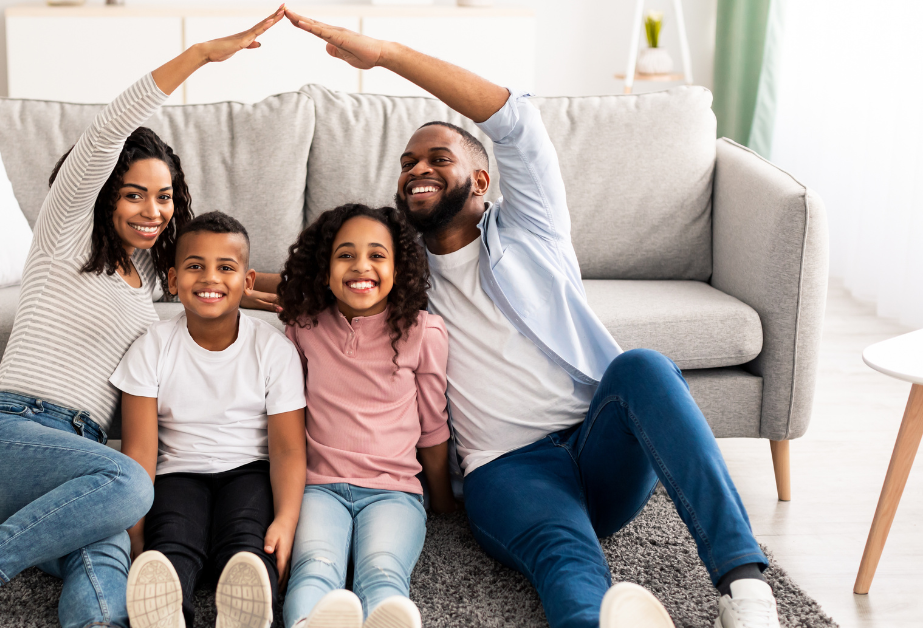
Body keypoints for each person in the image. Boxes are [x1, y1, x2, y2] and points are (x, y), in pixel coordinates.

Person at [284, 8, 781, 628]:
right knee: (568, 561)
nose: (417, 170)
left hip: (598, 442)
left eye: (436, 157)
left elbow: (514, 118)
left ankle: (744, 589)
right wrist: (233, 284)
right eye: (407, 164)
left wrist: (385, 54)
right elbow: (325, 287)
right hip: (507, 470)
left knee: (645, 368)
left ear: (483, 181)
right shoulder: (397, 276)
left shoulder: (533, 227)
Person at [0, 9, 288, 628]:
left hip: (82, 471)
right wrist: (200, 55)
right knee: (133, 486)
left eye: (165, 196)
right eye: (134, 193)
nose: (153, 210)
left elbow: (234, 285)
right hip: (5, 442)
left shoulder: (153, 277)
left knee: (106, 561)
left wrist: (345, 286)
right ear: (102, 195)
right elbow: (106, 132)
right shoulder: (64, 233)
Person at [113, 212, 307, 628]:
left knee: (248, 545)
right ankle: (163, 613)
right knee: (171, 543)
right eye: (195, 266)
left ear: (248, 282)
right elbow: (141, 448)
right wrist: (134, 527)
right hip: (177, 472)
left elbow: (288, 448)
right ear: (172, 279)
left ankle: (248, 614)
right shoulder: (152, 347)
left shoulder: (274, 350)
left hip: (250, 472)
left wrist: (287, 521)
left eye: (226, 267)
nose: (209, 278)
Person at [276, 204, 456, 628]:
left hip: (394, 492)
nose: (361, 266)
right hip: (319, 489)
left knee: (381, 571)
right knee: (316, 567)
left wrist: (443, 502)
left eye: (377, 255)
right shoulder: (303, 327)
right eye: (345, 255)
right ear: (324, 269)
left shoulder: (423, 332)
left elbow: (432, 427)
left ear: (398, 269)